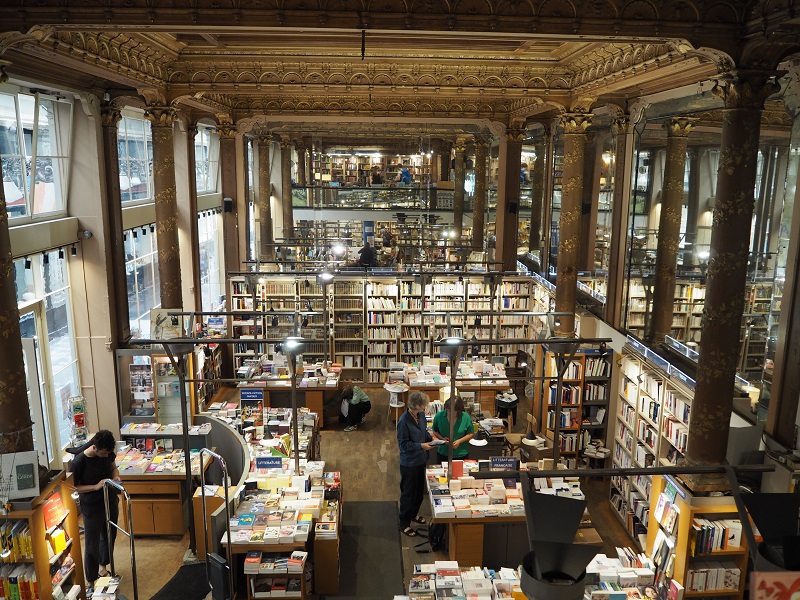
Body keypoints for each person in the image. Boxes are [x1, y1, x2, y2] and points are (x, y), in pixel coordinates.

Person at [71, 430, 120, 595]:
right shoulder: (80, 462)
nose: (107, 456)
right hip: (92, 505)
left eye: (108, 453)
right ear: (94, 448)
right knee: (91, 543)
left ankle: (102, 568)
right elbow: (74, 487)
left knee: (109, 534)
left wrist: (116, 477)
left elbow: (114, 467)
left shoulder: (107, 453)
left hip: (110, 499)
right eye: (104, 453)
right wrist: (95, 487)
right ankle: (90, 580)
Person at [396, 391, 434, 537]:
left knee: (419, 492)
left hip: (421, 460)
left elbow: (424, 433)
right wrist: (421, 446)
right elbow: (404, 446)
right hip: (409, 463)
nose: (425, 408)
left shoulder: (421, 416)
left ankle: (413, 514)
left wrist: (431, 439)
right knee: (408, 493)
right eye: (424, 405)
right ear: (417, 405)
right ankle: (403, 523)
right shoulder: (403, 422)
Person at [431, 396, 474, 461]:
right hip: (443, 452)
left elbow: (470, 433)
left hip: (461, 453)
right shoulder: (439, 416)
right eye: (448, 410)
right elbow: (435, 431)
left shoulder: (465, 417)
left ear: (458, 410)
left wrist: (459, 441)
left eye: (453, 411)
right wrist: (443, 439)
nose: (449, 413)